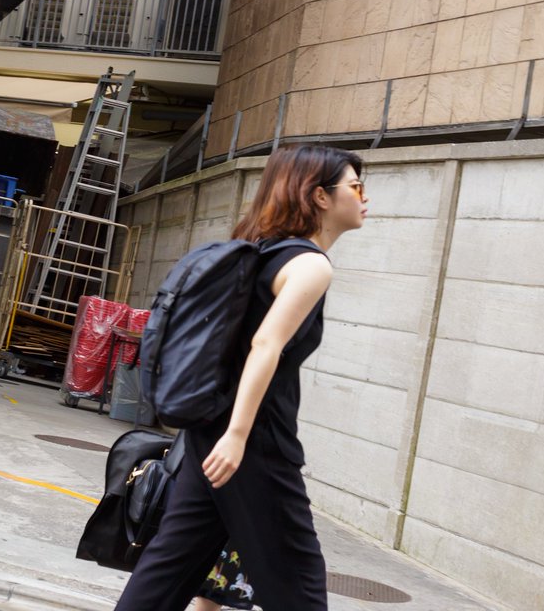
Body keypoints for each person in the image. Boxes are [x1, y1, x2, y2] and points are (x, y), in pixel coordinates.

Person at [114, 145, 368, 610]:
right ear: (320, 197)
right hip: (253, 443)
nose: (364, 197)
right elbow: (264, 345)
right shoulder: (310, 264)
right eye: (355, 186)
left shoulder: (261, 252)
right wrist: (238, 436)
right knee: (300, 583)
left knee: (168, 570)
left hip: (209, 433)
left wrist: (226, 435)